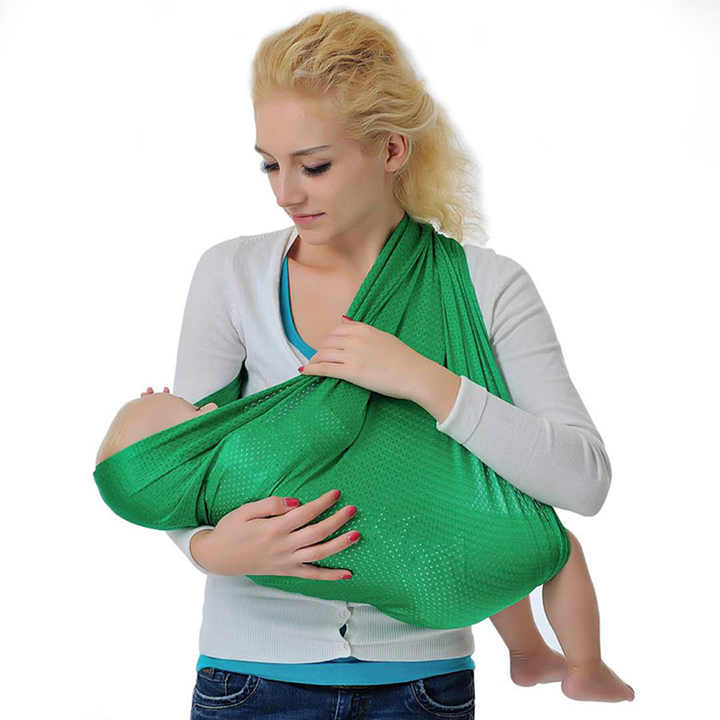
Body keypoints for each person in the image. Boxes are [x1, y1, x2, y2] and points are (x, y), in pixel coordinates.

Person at [161, 9, 630, 716]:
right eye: (270, 164)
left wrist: (425, 380)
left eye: (314, 165)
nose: (287, 192)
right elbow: (178, 461)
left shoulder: (486, 287)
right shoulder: (231, 277)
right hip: (248, 678)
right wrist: (207, 550)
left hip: (422, 686)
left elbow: (584, 481)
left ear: (391, 149)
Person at [97, 384, 634, 706]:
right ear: (180, 448)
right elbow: (331, 413)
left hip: (421, 623)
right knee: (553, 546)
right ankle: (585, 667)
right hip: (410, 601)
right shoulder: (245, 459)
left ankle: (529, 653)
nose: (210, 405)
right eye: (191, 413)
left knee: (475, 527)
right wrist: (210, 551)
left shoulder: (223, 509)